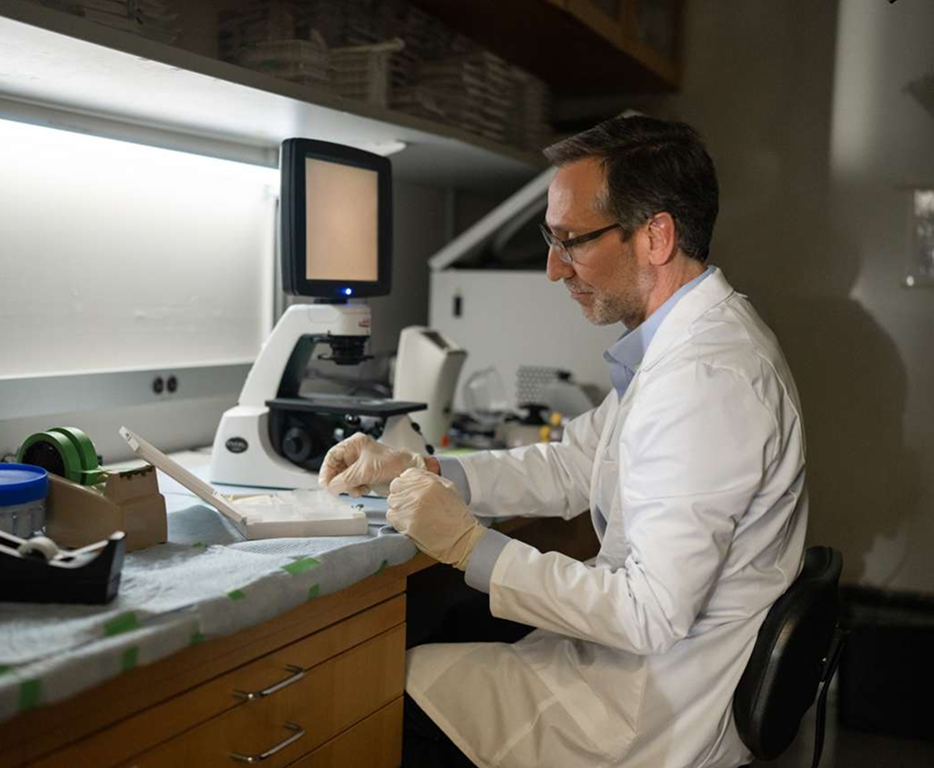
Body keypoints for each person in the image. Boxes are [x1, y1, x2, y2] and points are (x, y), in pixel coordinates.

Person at [319, 116, 808, 768]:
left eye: (570, 241)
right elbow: (577, 461)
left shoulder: (707, 379)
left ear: (656, 236)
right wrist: (426, 466)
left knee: (374, 694)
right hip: (641, 671)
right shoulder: (684, 345)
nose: (554, 269)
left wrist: (469, 543)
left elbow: (647, 615)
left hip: (651, 717)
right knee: (448, 629)